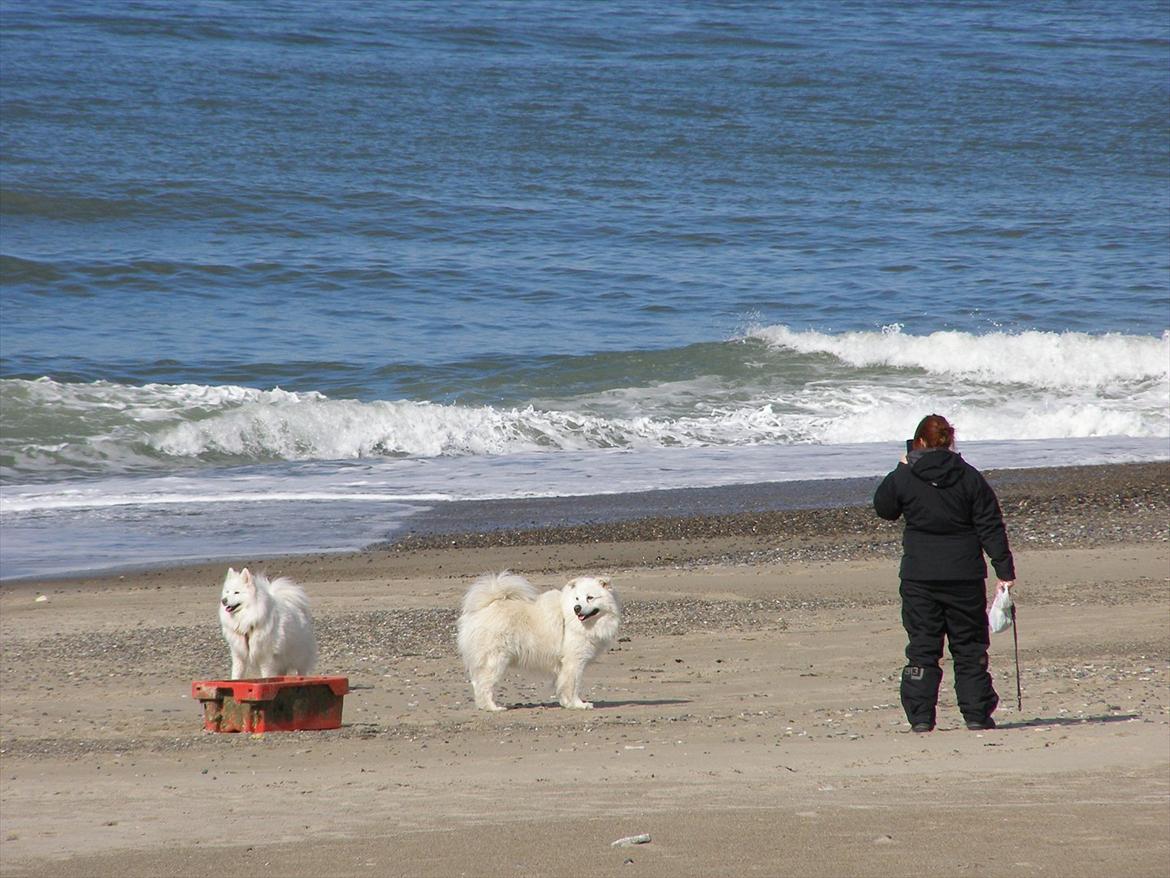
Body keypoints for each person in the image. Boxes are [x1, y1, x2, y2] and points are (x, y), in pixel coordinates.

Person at [873, 414, 1015, 733]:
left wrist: (901, 467)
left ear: (919, 442)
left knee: (923, 647)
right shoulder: (969, 477)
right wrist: (1004, 570)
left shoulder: (906, 476)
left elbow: (884, 509)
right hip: (963, 575)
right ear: (949, 442)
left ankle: (921, 717)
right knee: (969, 647)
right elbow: (990, 525)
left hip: (920, 576)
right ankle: (976, 715)